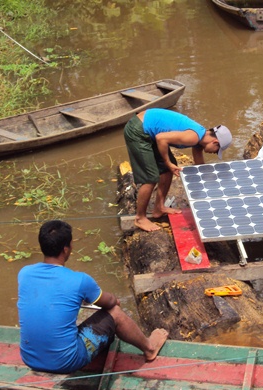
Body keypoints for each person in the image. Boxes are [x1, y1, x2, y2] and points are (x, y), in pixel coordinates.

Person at [17, 220, 168, 374]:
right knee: (115, 313)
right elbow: (109, 302)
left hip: (29, 358)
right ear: (65, 249)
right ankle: (149, 348)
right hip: (66, 363)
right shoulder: (79, 280)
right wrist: (113, 300)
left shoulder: (24, 273)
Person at [123, 108, 233, 232]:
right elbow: (161, 138)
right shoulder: (193, 137)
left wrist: (211, 186)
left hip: (149, 129)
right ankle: (140, 218)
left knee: (167, 170)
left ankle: (159, 208)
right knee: (150, 177)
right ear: (215, 142)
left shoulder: (200, 140)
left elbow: (200, 167)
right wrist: (167, 162)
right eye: (217, 150)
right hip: (138, 130)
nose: (214, 153)